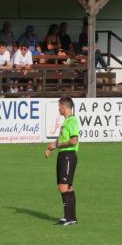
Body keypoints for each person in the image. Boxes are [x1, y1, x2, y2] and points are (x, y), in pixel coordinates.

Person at [44, 96, 80, 226]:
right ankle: (70, 217)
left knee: (63, 187)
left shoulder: (72, 121)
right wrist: (51, 148)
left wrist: (56, 146)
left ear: (64, 107)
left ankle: (70, 218)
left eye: (60, 106)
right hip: (63, 156)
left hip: (69, 156)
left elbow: (74, 141)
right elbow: (62, 139)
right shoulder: (66, 122)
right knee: (67, 187)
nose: (59, 108)